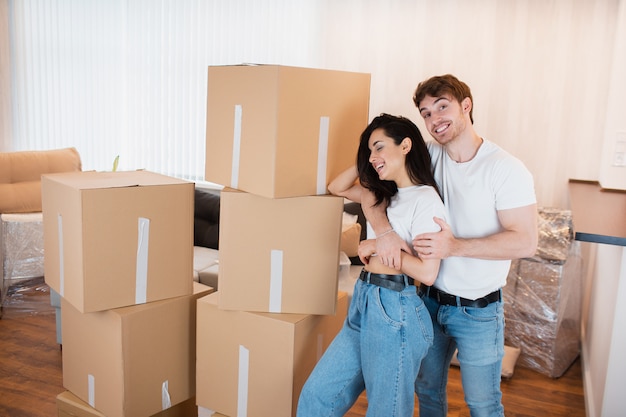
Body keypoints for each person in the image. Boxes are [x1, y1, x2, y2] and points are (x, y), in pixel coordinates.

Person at [363, 74, 538, 417]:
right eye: (426, 113)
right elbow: (372, 187)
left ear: (466, 107)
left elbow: (526, 241)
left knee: (483, 405)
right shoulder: (427, 157)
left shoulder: (505, 168)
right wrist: (385, 234)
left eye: (442, 107)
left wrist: (454, 246)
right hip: (427, 303)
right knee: (427, 392)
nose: (433, 119)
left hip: (479, 311)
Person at [297, 113, 447, 417]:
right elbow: (336, 186)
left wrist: (380, 245)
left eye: (379, 147)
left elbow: (428, 273)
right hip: (365, 300)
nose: (373, 156)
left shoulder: (425, 199)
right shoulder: (382, 193)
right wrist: (366, 157)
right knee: (317, 396)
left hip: (396, 310)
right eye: (369, 150)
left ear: (405, 145)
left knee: (386, 411)